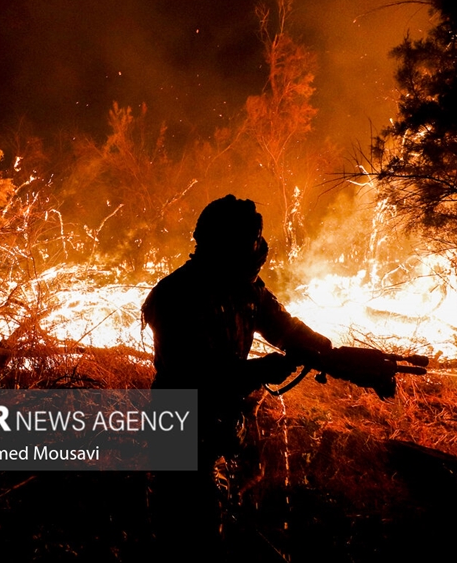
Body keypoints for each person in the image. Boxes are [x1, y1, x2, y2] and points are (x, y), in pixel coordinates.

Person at [142, 194, 331, 550]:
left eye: (256, 238)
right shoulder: (176, 296)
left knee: (224, 520)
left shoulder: (244, 290)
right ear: (222, 243)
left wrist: (329, 351)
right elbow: (195, 374)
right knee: (187, 532)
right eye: (249, 240)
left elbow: (284, 328)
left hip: (219, 424)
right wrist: (262, 369)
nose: (257, 247)